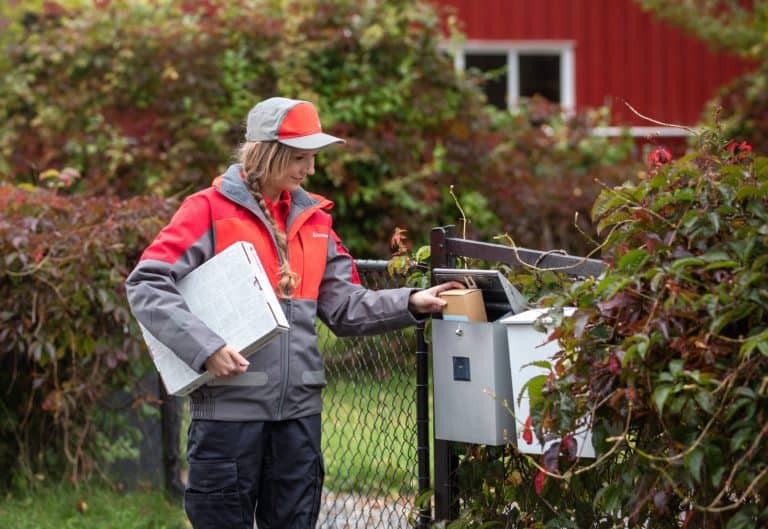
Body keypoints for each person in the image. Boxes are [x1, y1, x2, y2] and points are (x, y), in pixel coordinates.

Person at [125, 96, 462, 529]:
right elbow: (146, 283)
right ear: (268, 153)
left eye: (314, 158)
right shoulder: (206, 211)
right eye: (301, 158)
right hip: (228, 421)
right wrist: (205, 348)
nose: (310, 170)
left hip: (299, 422)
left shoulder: (316, 221)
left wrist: (411, 301)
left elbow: (345, 308)